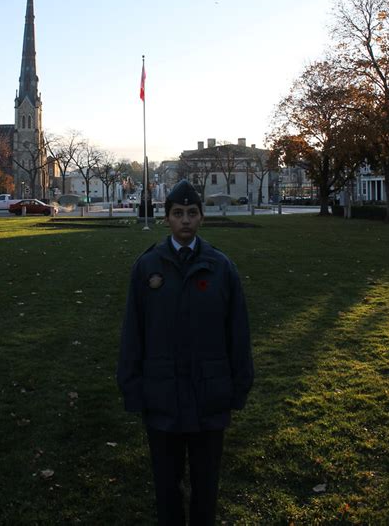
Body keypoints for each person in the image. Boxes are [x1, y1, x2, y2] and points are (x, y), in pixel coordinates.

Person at [117, 179, 254, 526]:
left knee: (206, 488)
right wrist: (132, 388)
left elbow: (237, 332)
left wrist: (239, 387)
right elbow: (134, 332)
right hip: (161, 398)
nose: (185, 221)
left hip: (210, 396)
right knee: (167, 489)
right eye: (178, 213)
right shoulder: (147, 267)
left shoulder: (222, 268)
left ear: (202, 218)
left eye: (192, 213)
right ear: (167, 218)